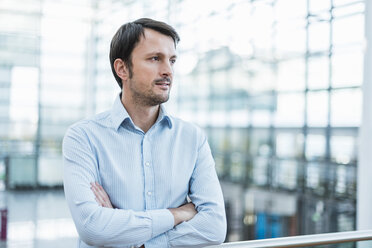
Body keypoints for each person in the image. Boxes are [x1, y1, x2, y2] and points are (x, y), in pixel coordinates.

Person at [63, 18, 226, 248]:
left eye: (172, 60)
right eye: (154, 59)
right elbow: (93, 227)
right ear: (122, 69)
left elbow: (215, 227)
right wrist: (176, 215)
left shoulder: (193, 139)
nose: (168, 70)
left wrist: (137, 243)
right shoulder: (83, 137)